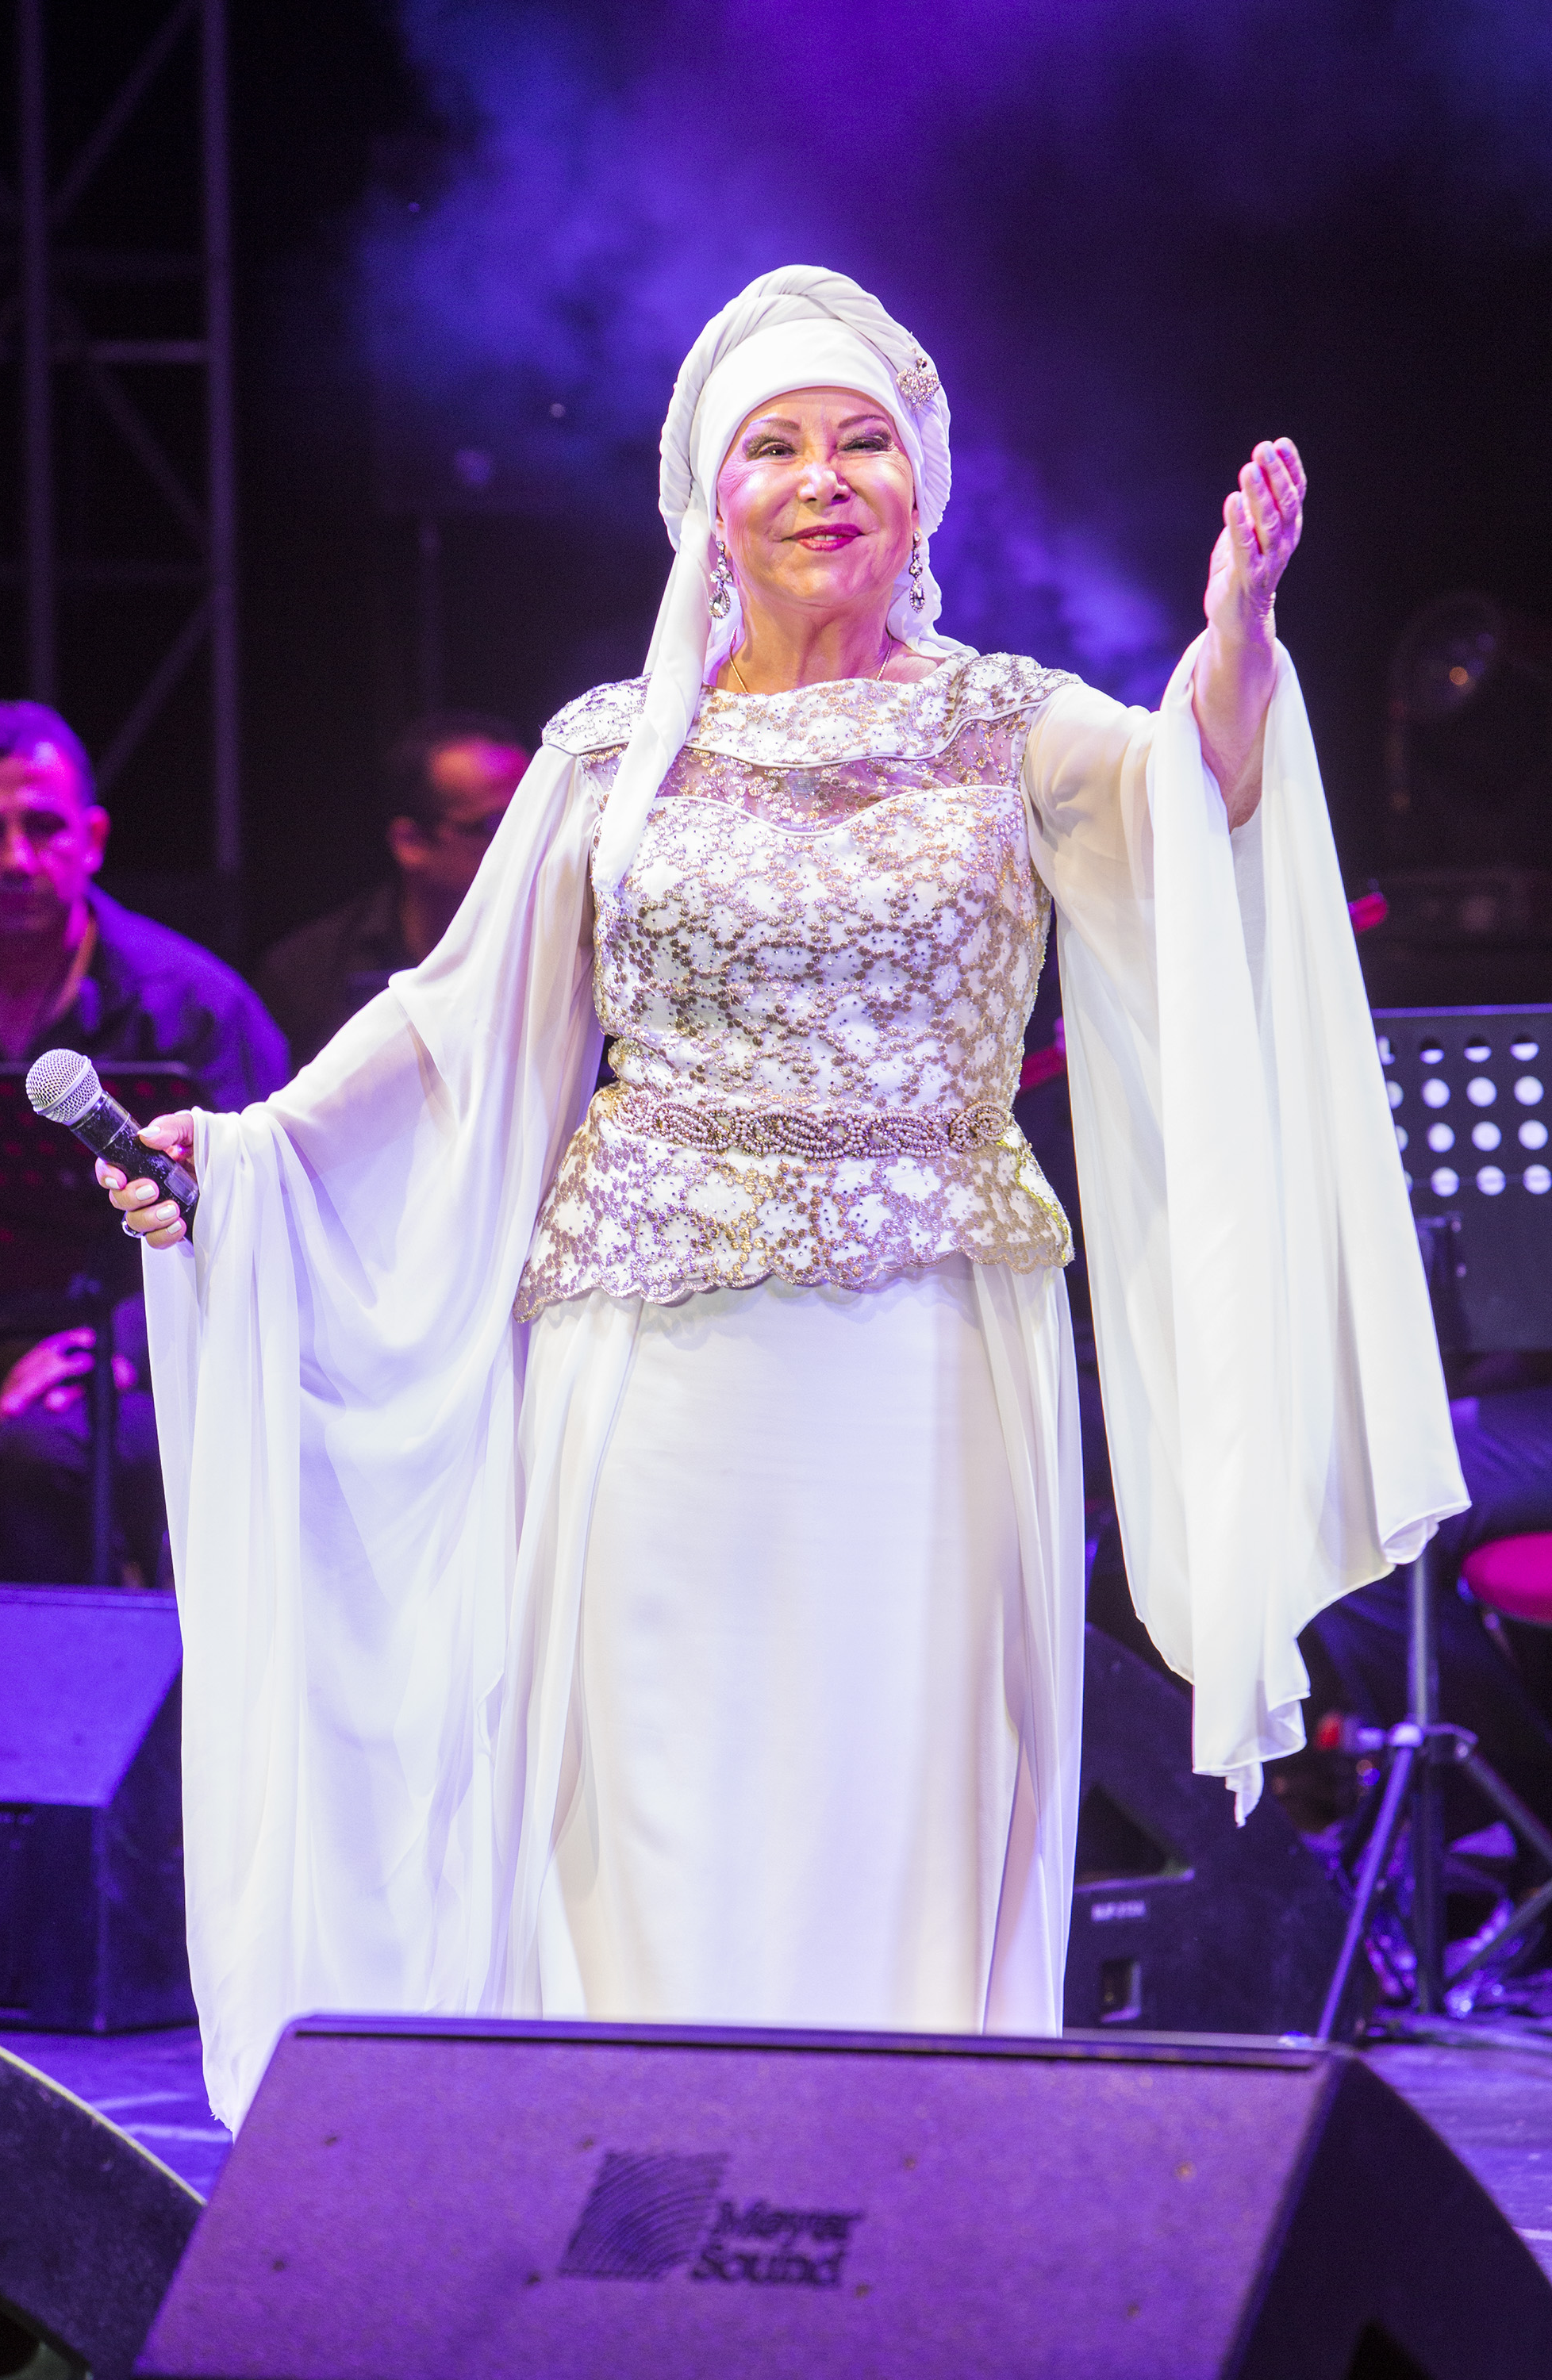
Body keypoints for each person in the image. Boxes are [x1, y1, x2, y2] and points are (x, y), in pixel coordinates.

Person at [102, 268, 1465, 2134]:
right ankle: (635, 2170)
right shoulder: (610, 751)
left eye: (863, 443)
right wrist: (249, 1152)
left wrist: (1235, 636)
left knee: (891, 1767)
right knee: (653, 1770)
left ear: (921, 489)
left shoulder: (1010, 724)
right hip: (645, 1347)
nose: (824, 478)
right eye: (777, 446)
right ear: (706, 497)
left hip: (922, 1341)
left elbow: (1198, 800)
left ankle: (885, 2177)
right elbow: (451, 1021)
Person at [0, 699, 287, 1582]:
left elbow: (266, 1211)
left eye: (43, 828)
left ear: (93, 838)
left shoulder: (194, 1005)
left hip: (134, 1357)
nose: (16, 859)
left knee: (44, 1461)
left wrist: (110, 1348)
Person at [253, 714, 529, 1071]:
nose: (527, 843)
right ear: (410, 842)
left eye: (533, 822)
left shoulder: (579, 949)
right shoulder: (306, 975)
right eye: (496, 825)